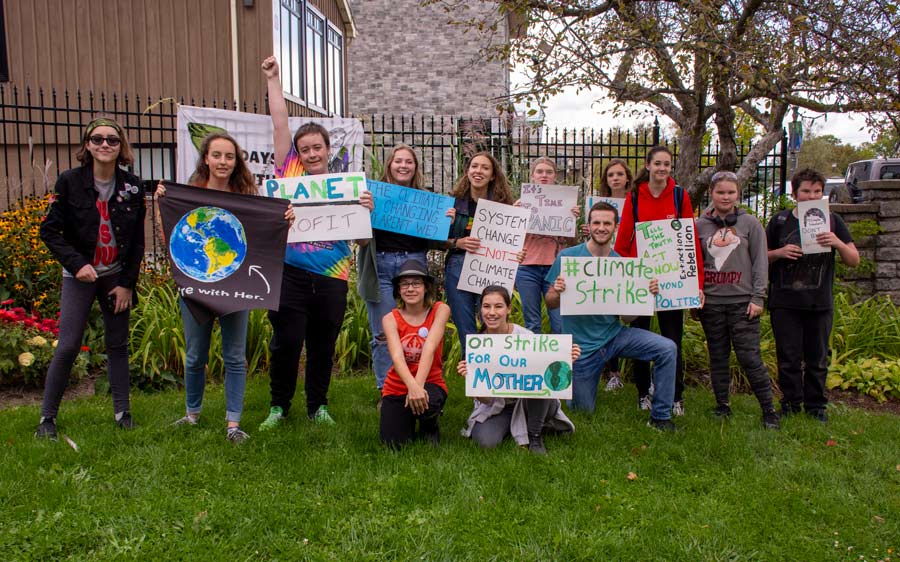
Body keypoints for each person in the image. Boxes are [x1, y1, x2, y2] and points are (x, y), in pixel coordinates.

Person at [259, 55, 374, 429]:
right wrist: (274, 81)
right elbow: (280, 123)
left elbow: (359, 239)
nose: (311, 154)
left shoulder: (347, 186)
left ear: (328, 150)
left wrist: (364, 212)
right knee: (287, 343)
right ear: (298, 153)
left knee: (323, 346)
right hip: (289, 274)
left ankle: (317, 406)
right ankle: (279, 406)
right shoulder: (289, 173)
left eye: (317, 148)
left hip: (332, 276)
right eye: (304, 148)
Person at [157, 133, 294, 443]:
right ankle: (192, 413)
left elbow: (266, 236)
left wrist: (285, 219)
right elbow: (169, 234)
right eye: (216, 155)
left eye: (229, 156)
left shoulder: (247, 197)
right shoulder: (188, 195)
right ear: (206, 158)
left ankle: (233, 423)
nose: (222, 162)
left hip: (235, 285)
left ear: (236, 161)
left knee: (234, 355)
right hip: (197, 285)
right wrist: (161, 204)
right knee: (195, 355)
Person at [36, 116, 146, 439]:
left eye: (112, 140)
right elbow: (49, 231)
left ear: (120, 146)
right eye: (97, 139)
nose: (104, 145)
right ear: (87, 145)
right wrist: (77, 263)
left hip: (115, 276)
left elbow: (138, 242)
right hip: (78, 275)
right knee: (68, 344)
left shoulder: (132, 186)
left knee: (118, 345)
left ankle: (122, 413)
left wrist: (126, 283)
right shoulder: (69, 182)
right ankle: (47, 419)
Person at [546, 202, 679, 431]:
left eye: (607, 223)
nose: (601, 227)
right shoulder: (568, 258)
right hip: (582, 348)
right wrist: (557, 291)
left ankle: (661, 417)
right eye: (596, 222)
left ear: (615, 227)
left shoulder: (622, 265)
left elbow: (627, 318)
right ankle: (577, 389)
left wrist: (644, 295)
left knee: (667, 348)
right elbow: (550, 302)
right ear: (588, 225)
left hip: (614, 336)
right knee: (581, 410)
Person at [614, 146, 704, 417]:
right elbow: (623, 240)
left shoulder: (679, 196)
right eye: (658, 164)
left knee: (672, 337)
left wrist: (696, 282)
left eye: (667, 164)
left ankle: (676, 396)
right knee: (641, 338)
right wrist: (624, 277)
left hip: (673, 280)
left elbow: (690, 242)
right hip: (641, 278)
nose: (663, 169)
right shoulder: (635, 196)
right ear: (648, 165)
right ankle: (643, 393)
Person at [357, 144, 453, 396]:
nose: (403, 165)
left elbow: (439, 241)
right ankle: (387, 392)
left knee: (415, 329)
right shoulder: (373, 195)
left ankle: (418, 385)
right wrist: (363, 212)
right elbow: (360, 240)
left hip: (414, 265)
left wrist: (446, 222)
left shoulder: (425, 200)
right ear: (389, 165)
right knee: (381, 333)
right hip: (381, 265)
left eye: (408, 162)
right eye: (398, 161)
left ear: (415, 168)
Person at [766, 167, 859, 422]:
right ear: (795, 193)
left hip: (819, 302)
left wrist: (837, 243)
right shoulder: (780, 221)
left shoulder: (833, 221)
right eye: (806, 191)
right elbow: (760, 258)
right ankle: (791, 404)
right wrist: (779, 253)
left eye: (817, 191)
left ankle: (816, 406)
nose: (811, 196)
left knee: (818, 358)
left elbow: (854, 260)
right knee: (788, 357)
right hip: (785, 301)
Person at [696, 171, 779, 429]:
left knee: (749, 357)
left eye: (731, 192)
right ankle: (723, 405)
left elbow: (760, 263)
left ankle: (769, 410)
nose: (726, 197)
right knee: (718, 356)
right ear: (712, 193)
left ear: (738, 194)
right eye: (721, 192)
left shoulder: (750, 224)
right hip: (711, 302)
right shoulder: (699, 225)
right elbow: (693, 264)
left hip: (743, 303)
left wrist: (758, 296)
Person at [457, 285, 579, 454]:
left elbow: (548, 373)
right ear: (481, 309)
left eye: (498, 306)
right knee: (486, 442)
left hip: (532, 401)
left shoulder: (525, 337)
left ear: (508, 309)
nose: (492, 312)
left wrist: (565, 358)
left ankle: (535, 435)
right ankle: (517, 426)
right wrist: (470, 377)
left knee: (540, 385)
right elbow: (486, 400)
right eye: (486, 306)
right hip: (499, 406)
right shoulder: (478, 346)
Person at [444, 151, 515, 348]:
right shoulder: (452, 204)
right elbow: (435, 242)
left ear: (493, 175)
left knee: (492, 323)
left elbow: (510, 242)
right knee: (464, 325)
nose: (478, 171)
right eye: (474, 166)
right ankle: (473, 373)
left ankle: (495, 369)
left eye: (485, 168)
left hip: (491, 267)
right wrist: (456, 242)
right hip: (458, 267)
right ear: (467, 171)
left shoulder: (504, 207)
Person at [379, 260, 451, 448]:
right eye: (405, 284)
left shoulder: (440, 310)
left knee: (430, 400)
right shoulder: (389, 319)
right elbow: (396, 356)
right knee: (393, 444)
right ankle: (409, 417)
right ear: (399, 289)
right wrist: (411, 388)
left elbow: (429, 347)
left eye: (416, 283)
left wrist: (418, 388)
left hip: (430, 381)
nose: (410, 289)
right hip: (398, 385)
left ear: (426, 287)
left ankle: (430, 425)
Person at [514, 157, 579, 335]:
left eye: (549, 172)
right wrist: (513, 215)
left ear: (554, 176)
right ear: (532, 176)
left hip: (555, 267)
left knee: (559, 322)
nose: (544, 176)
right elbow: (511, 238)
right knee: (532, 323)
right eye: (539, 172)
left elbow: (572, 243)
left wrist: (572, 219)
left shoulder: (565, 204)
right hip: (527, 268)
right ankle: (535, 362)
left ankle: (560, 361)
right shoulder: (522, 203)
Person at [592, 159, 634, 392]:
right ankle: (611, 372)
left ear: (627, 177)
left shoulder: (634, 202)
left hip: (626, 262)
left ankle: (627, 373)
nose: (615, 178)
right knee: (605, 316)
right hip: (602, 265)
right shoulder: (598, 204)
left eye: (619, 174)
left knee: (625, 315)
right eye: (611, 175)